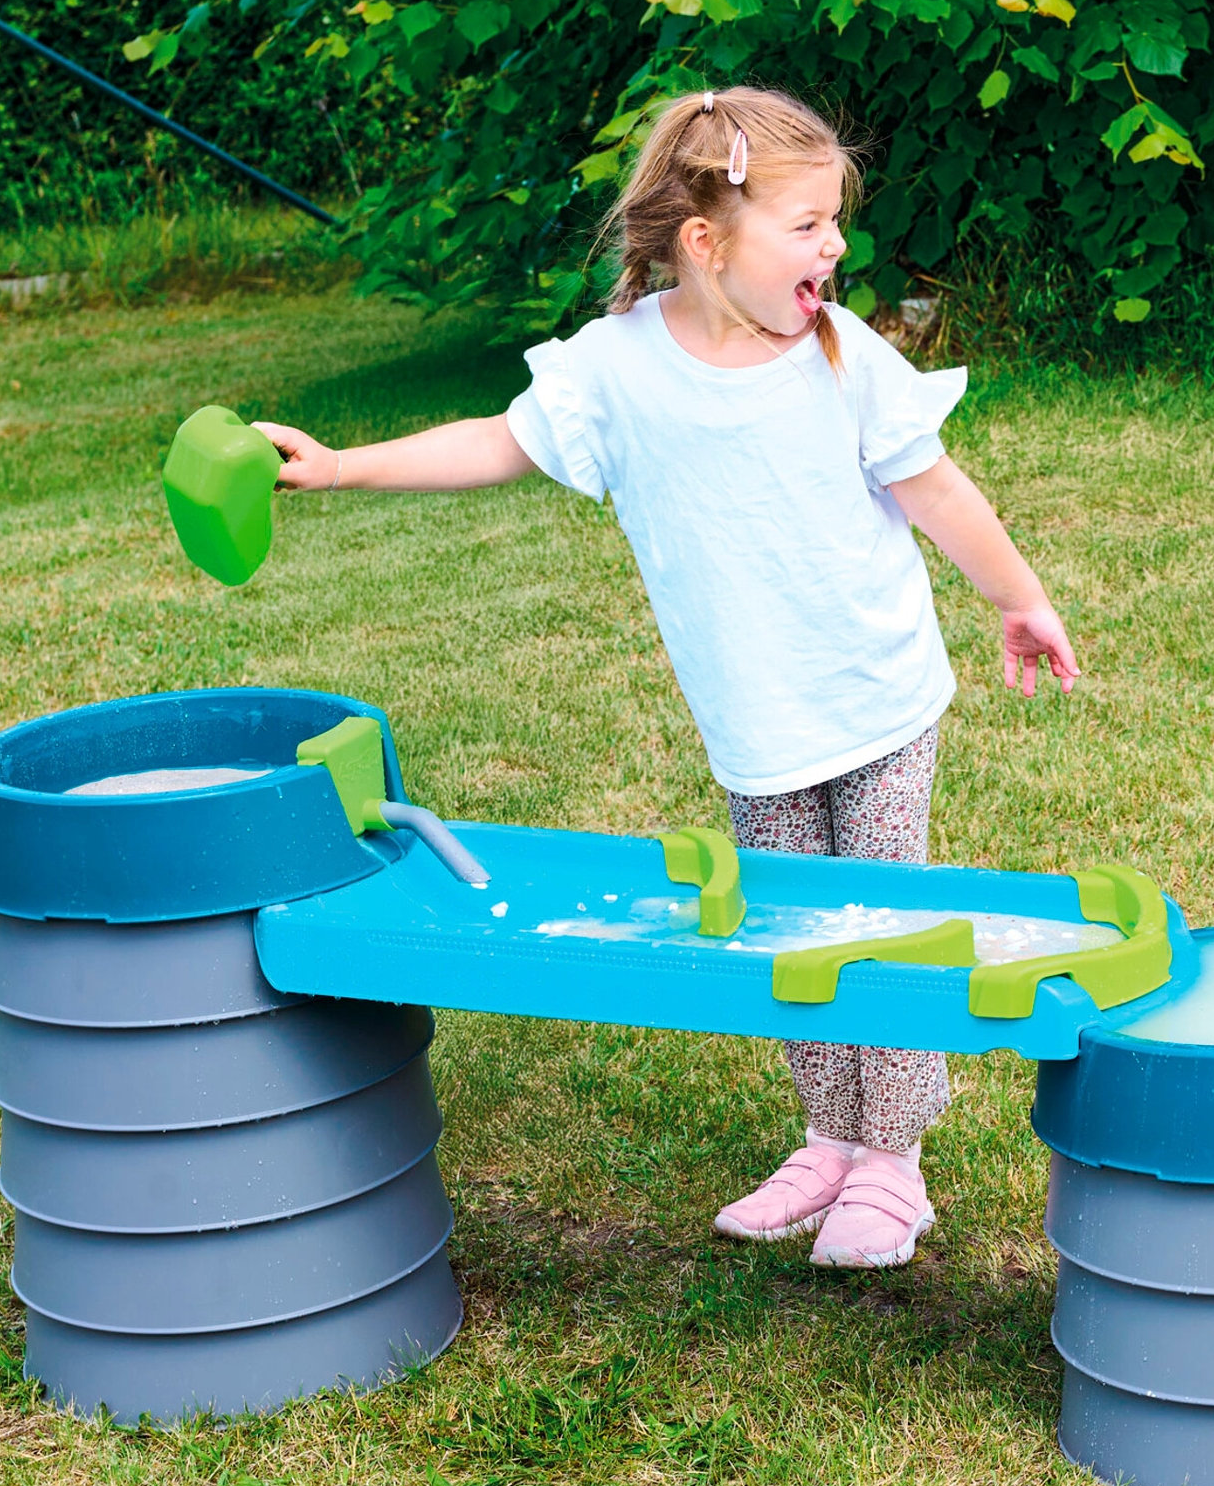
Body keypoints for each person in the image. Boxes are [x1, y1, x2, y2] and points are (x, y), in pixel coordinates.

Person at [254, 85, 1077, 1264]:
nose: (836, 248)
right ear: (705, 242)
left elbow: (934, 487)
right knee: (789, 932)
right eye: (806, 225)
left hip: (877, 698)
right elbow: (497, 443)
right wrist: (341, 467)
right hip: (755, 720)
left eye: (834, 223)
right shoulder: (615, 370)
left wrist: (1018, 599)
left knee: (882, 924)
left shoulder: (843, 355)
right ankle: (828, 1139)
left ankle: (892, 1160)